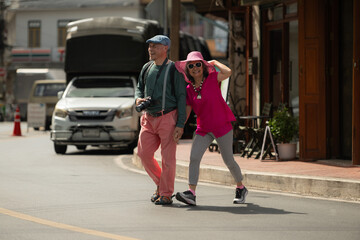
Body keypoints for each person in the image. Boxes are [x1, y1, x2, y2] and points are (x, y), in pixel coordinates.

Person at [174, 51, 248, 206]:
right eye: (191, 65)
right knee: (194, 157)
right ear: (188, 69)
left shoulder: (213, 78)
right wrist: (179, 126)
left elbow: (228, 72)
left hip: (222, 126)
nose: (195, 68)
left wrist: (214, 62)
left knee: (229, 160)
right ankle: (191, 193)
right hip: (204, 128)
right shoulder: (189, 89)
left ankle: (240, 187)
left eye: (198, 64)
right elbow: (187, 111)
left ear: (203, 66)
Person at [135, 35, 187, 205]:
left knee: (168, 159)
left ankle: (165, 193)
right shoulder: (146, 67)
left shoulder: (174, 69)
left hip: (168, 118)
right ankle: (160, 183)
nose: (151, 49)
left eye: (155, 46)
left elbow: (181, 98)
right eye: (150, 46)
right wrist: (138, 99)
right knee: (143, 154)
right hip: (148, 118)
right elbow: (139, 88)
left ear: (165, 48)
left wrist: (180, 124)